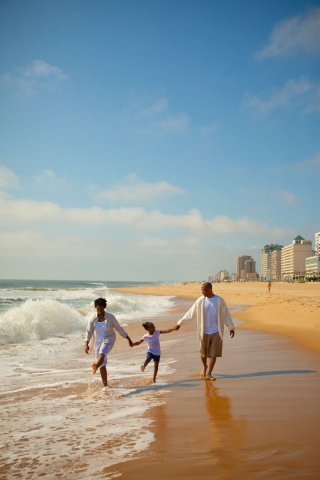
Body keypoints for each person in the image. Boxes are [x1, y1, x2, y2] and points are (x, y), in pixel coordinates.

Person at [176, 282, 235, 381]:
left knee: (213, 354)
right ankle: (205, 366)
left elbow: (225, 314)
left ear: (210, 289)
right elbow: (191, 313)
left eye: (203, 290)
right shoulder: (200, 301)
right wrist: (180, 323)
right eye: (201, 290)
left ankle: (209, 373)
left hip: (217, 331)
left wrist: (231, 327)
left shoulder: (219, 300)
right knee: (203, 353)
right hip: (204, 331)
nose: (202, 291)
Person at [85, 297, 133, 387]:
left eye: (101, 309)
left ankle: (95, 365)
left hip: (109, 339)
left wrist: (128, 339)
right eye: (98, 309)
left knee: (102, 352)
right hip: (98, 342)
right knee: (103, 365)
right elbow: (89, 331)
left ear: (104, 307)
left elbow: (119, 328)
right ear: (96, 308)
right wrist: (86, 344)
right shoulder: (93, 319)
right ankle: (105, 386)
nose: (99, 310)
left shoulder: (110, 317)